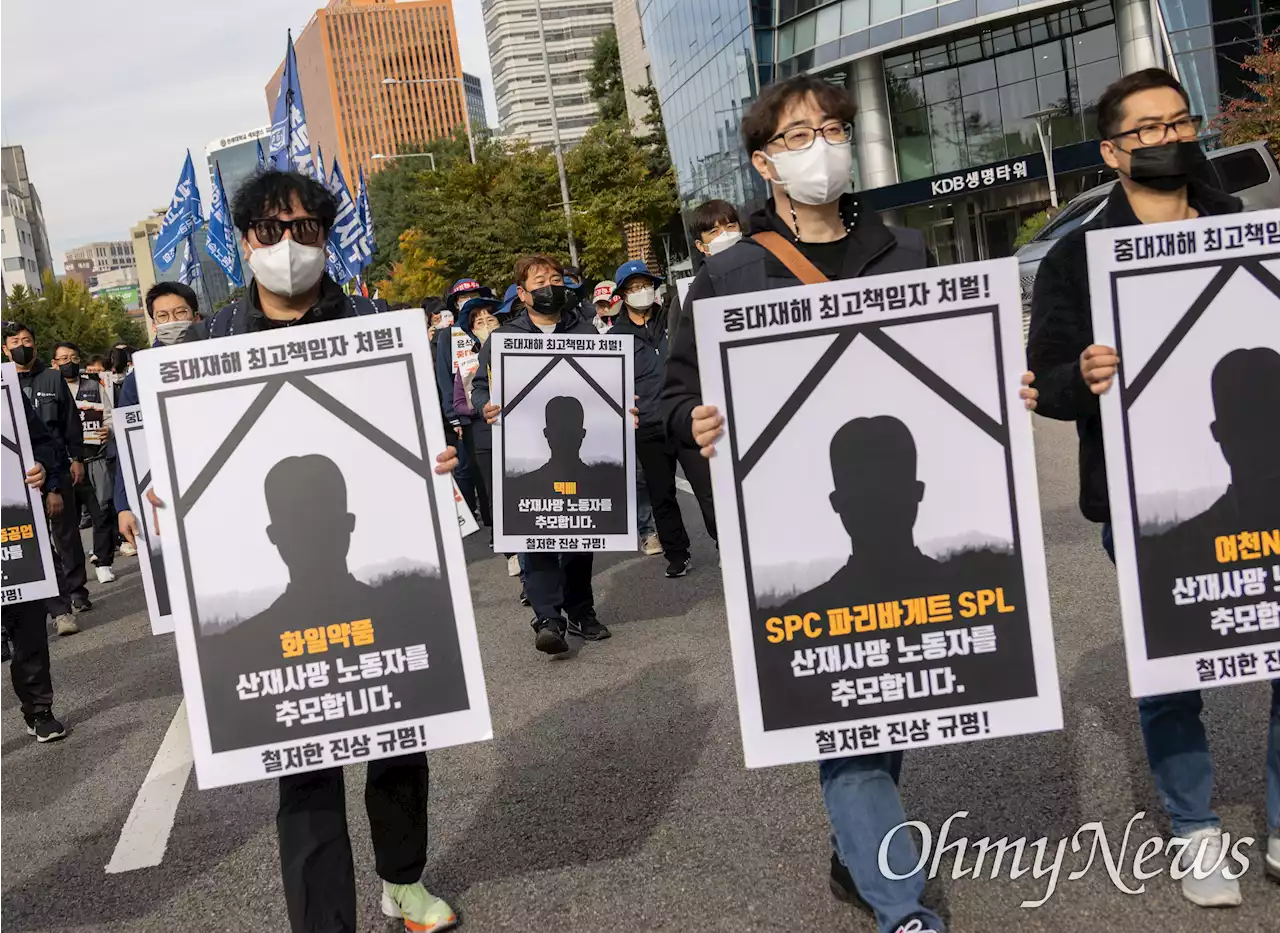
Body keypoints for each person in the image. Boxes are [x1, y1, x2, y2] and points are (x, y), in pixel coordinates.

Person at [660, 73, 1038, 933]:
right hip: (800, 527)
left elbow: (947, 374)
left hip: (910, 531)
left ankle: (857, 851)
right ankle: (900, 906)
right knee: (847, 709)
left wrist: (999, 393)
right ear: (763, 164)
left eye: (832, 127)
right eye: (797, 136)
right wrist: (698, 418)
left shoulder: (905, 252)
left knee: (894, 691)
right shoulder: (728, 276)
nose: (820, 146)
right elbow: (671, 399)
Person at [177, 169, 461, 933]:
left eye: (305, 228)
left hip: (377, 593)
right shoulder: (208, 344)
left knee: (400, 734)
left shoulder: (379, 325)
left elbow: (418, 432)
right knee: (301, 765)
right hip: (283, 624)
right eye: (271, 231)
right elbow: (176, 461)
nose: (288, 245)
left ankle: (403, 879)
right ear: (244, 242)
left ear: (327, 237)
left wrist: (438, 460)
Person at [1027, 67, 1260, 909]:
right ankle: (1195, 829)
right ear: (1113, 152)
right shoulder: (1076, 257)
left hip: (1261, 479)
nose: (1168, 140)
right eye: (1148, 130)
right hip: (1143, 489)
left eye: (1179, 123)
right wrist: (1080, 376)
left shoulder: (1240, 230)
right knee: (1172, 668)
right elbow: (1045, 378)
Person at [472, 254, 611, 654]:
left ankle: (581, 611)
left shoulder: (585, 331)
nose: (550, 286)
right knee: (536, 533)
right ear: (522, 293)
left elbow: (607, 386)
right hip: (526, 452)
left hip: (579, 452)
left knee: (581, 532)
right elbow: (481, 387)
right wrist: (486, 405)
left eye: (555, 278)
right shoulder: (503, 341)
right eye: (540, 281)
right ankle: (548, 617)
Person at [610, 259, 716, 578]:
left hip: (684, 416)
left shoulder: (676, 319)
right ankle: (677, 553)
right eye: (633, 288)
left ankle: (726, 542)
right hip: (648, 425)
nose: (641, 292)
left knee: (707, 485)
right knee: (661, 493)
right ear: (623, 295)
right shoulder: (616, 337)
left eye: (645, 286)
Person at [4, 323, 88, 637]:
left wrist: (51, 474)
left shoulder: (9, 389)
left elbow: (45, 438)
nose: (21, 346)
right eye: (15, 341)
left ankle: (63, 606)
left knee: (44, 542)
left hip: (24, 484)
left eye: (26, 340)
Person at [2, 400, 68, 741]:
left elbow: (42, 441)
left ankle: (39, 709)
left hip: (13, 527)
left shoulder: (4, 392)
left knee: (27, 626)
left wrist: (41, 466)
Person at [51, 341, 116, 584]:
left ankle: (103, 560)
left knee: (102, 512)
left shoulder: (93, 385)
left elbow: (109, 416)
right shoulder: (49, 390)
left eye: (73, 357)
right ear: (54, 364)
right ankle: (73, 573)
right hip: (63, 466)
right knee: (68, 523)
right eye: (63, 358)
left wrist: (108, 430)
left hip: (94, 459)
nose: (69, 362)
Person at [437, 277, 493, 527]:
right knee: (476, 467)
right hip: (466, 411)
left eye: (472, 295)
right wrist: (452, 415)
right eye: (462, 298)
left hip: (493, 406)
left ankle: (495, 521)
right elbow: (444, 376)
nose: (467, 301)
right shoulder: (447, 335)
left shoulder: (490, 328)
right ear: (456, 303)